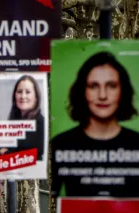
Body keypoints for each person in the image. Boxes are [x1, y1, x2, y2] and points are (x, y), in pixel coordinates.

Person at [51, 51, 139, 197]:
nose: (102, 95)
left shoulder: (136, 143)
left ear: (122, 90)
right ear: (82, 91)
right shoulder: (61, 144)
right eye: (93, 86)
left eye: (111, 85)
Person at [0, 75, 45, 160]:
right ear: (15, 96)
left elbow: (34, 154)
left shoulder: (41, 122)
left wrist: (7, 153)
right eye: (19, 92)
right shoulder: (12, 120)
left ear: (36, 97)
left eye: (28, 92)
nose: (23, 96)